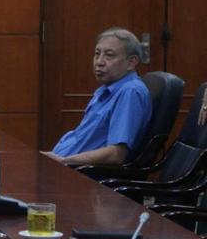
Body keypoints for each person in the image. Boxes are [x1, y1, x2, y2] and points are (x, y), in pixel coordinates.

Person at [44, 28, 153, 165]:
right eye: (97, 54)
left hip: (79, 173)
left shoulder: (130, 92)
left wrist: (65, 160)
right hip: (62, 167)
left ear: (131, 62)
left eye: (109, 56)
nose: (99, 62)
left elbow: (116, 154)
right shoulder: (106, 90)